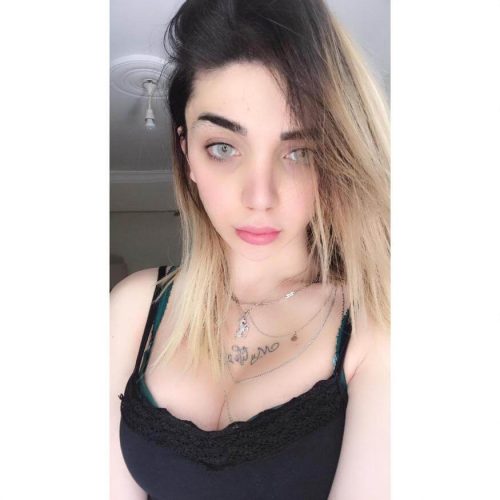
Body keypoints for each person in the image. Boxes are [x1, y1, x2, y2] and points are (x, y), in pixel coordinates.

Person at [110, 0, 390, 498]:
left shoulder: (374, 326)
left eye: (300, 152)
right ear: (186, 153)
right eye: (223, 147)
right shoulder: (134, 307)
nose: (260, 197)